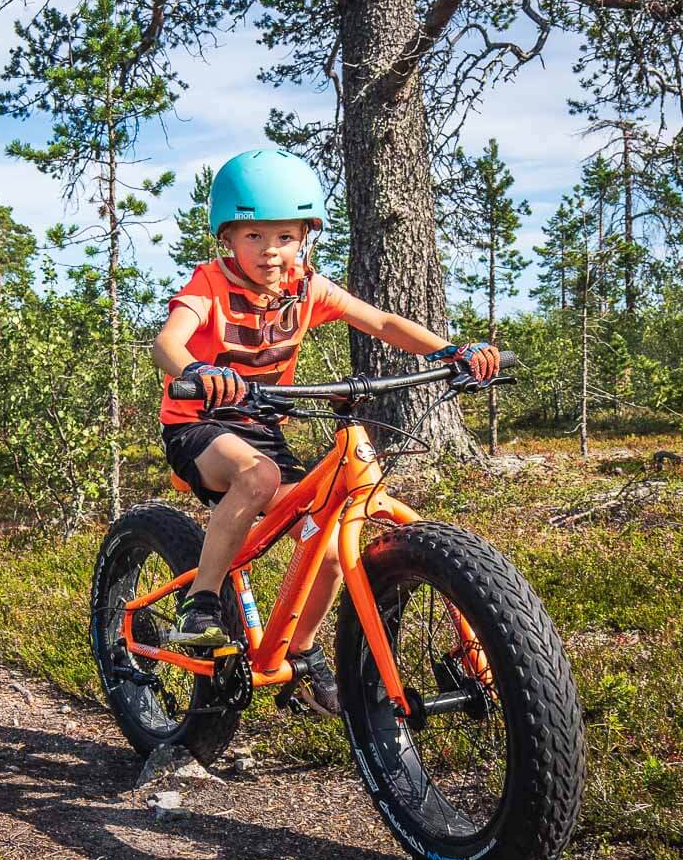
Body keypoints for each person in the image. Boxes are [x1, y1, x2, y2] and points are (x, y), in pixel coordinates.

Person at [151, 148, 500, 715]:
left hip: (261, 425)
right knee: (257, 477)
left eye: (285, 237)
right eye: (254, 237)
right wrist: (196, 371)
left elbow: (383, 322)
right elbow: (168, 341)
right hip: (200, 423)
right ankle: (201, 606)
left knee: (332, 545)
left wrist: (454, 351)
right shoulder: (209, 284)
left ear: (304, 239)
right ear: (227, 239)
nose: (271, 251)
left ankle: (305, 657)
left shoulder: (307, 288)